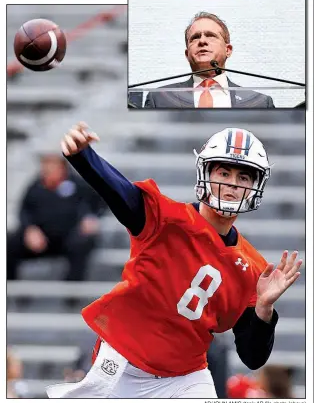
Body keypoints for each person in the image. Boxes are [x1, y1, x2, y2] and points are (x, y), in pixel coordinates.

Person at [46, 122, 301, 398]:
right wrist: (84, 157)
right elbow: (118, 191)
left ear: (254, 186)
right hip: (123, 361)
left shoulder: (252, 268)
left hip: (185, 376)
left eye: (243, 177)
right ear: (206, 173)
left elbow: (252, 357)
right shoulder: (167, 218)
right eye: (225, 172)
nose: (232, 184)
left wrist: (264, 308)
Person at [7, 153, 105, 281]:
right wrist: (30, 229)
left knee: (84, 242)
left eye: (52, 166)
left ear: (62, 168)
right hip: (41, 239)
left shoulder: (79, 185)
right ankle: (11, 289)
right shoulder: (35, 187)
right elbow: (24, 211)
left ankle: (72, 292)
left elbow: (99, 202)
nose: (47, 170)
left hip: (70, 237)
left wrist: (90, 218)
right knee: (10, 242)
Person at [144, 12, 275, 109]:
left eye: (211, 36)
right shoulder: (159, 98)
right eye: (195, 38)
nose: (202, 41)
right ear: (187, 54)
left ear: (228, 50)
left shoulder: (260, 103)